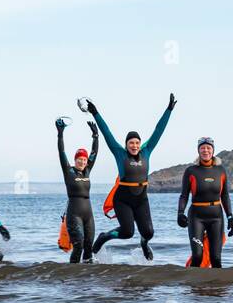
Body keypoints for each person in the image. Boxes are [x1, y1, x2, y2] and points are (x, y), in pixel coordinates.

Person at [86, 94, 175, 260]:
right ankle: (104, 236)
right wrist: (95, 112)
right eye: (131, 143)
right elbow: (107, 133)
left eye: (136, 142)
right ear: (126, 144)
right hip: (123, 199)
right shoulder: (119, 153)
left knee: (148, 232)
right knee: (127, 232)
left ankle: (143, 243)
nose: (134, 145)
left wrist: (168, 110)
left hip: (141, 199)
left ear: (140, 144)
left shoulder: (146, 151)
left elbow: (158, 130)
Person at [177, 137, 233, 267]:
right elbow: (184, 195)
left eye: (208, 148)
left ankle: (216, 287)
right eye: (202, 148)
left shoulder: (220, 170)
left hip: (216, 217)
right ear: (198, 151)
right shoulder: (191, 171)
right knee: (197, 256)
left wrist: (230, 216)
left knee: (216, 258)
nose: (205, 150)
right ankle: (194, 286)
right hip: (196, 216)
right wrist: (180, 213)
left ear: (213, 150)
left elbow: (225, 196)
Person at [57, 117, 99, 263]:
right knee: (78, 245)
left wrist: (95, 136)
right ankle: (73, 278)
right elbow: (61, 151)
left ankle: (87, 279)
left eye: (84, 159)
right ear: (75, 160)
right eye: (79, 159)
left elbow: (94, 151)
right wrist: (60, 133)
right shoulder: (68, 171)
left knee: (88, 247)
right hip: (74, 213)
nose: (82, 161)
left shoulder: (87, 171)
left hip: (88, 214)